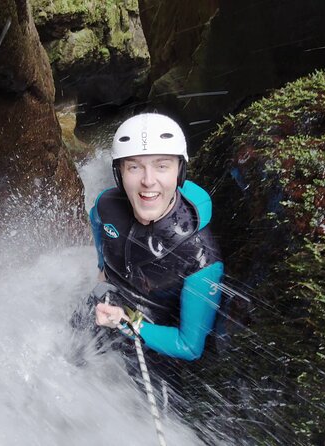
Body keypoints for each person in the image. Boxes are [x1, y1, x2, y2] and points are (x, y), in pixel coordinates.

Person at [88, 112, 224, 400]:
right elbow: (97, 221)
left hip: (154, 337)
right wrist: (102, 268)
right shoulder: (107, 205)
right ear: (119, 174)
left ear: (179, 172)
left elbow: (189, 345)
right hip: (107, 302)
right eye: (134, 167)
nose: (148, 181)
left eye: (162, 166)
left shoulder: (201, 257)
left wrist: (127, 323)